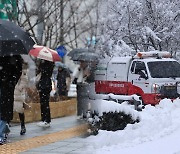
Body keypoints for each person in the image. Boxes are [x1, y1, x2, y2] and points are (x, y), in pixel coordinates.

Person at [0, 55, 23, 144]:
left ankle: (1, 134)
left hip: (6, 88)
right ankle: (3, 131)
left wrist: (11, 81)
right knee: (4, 111)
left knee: (4, 111)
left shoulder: (15, 56)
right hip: (6, 86)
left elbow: (18, 71)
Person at [36, 59, 54, 128]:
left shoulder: (48, 64)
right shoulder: (48, 64)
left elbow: (45, 73)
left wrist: (40, 67)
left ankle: (46, 119)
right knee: (43, 103)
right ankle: (44, 119)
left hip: (45, 85)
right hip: (44, 85)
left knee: (45, 103)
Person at [13, 61, 29, 135]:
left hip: (18, 93)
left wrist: (18, 88)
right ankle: (6, 127)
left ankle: (23, 126)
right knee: (9, 111)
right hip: (12, 92)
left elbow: (24, 81)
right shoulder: (13, 70)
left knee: (20, 111)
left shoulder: (23, 72)